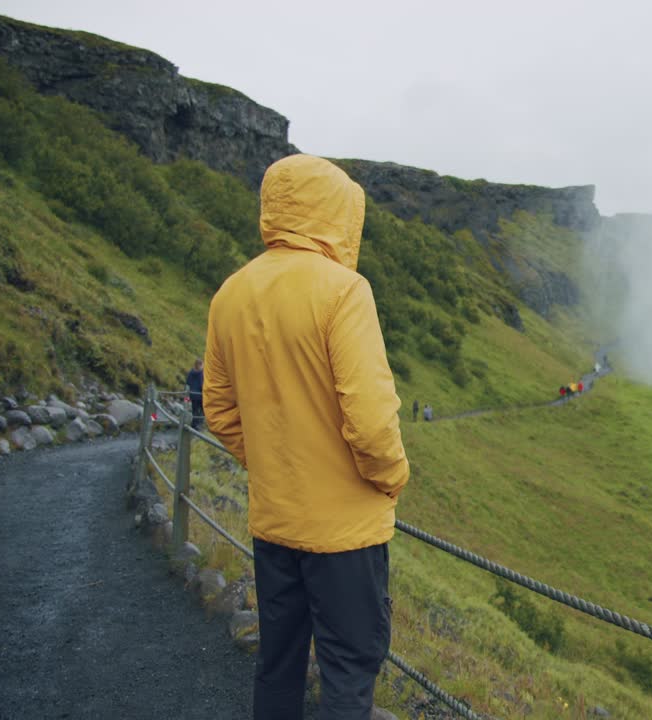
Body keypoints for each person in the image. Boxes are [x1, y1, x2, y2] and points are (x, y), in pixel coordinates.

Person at [203, 154, 409, 720]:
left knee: (279, 662)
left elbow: (219, 411)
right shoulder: (344, 290)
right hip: (344, 532)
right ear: (339, 213)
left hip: (275, 523)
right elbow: (369, 419)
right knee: (348, 667)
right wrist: (390, 478)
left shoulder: (231, 293)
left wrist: (271, 464)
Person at [185, 358, 204, 429]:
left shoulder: (191, 372)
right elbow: (201, 384)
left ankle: (194, 424)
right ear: (200, 365)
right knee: (202, 410)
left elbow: (188, 382)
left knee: (194, 409)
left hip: (192, 394)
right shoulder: (201, 373)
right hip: (200, 395)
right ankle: (199, 424)